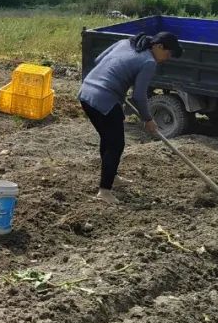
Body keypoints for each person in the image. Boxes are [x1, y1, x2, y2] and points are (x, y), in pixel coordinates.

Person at [78, 31, 183, 203]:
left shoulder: (125, 43)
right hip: (104, 98)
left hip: (86, 92)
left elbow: (98, 60)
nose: (167, 58)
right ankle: (104, 191)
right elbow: (139, 96)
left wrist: (118, 79)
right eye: (168, 53)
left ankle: (112, 177)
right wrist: (148, 119)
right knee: (116, 144)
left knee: (108, 139)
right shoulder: (149, 62)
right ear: (158, 46)